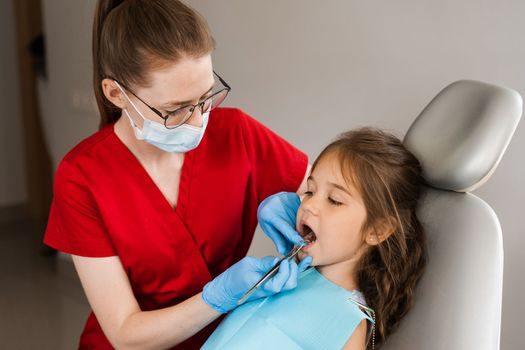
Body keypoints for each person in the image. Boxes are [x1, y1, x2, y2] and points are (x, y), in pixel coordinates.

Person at [42, 0, 312, 348]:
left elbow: (328, 202)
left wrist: (309, 211)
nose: (199, 121)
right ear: (116, 94)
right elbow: (125, 333)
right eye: (176, 109)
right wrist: (219, 296)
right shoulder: (81, 176)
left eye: (204, 99)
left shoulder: (238, 134)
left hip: (228, 340)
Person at [203, 128, 428, 349]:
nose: (308, 204)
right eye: (310, 191)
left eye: (334, 200)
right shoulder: (281, 278)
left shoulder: (349, 325)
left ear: (377, 230)